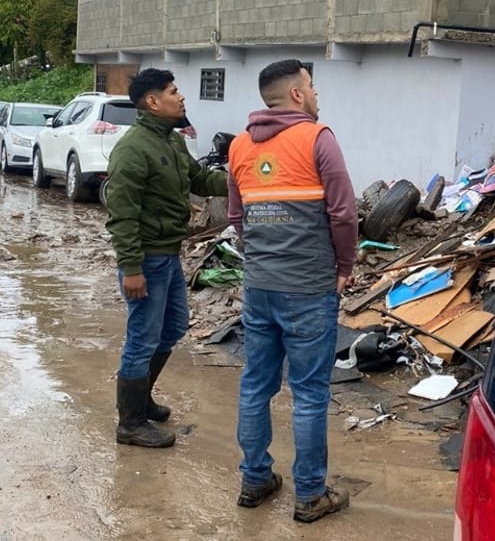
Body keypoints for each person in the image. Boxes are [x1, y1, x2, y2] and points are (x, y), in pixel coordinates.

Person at [226, 59, 358, 523]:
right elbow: (344, 213)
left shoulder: (240, 147)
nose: (317, 95)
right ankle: (309, 494)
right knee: (308, 393)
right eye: (313, 86)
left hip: (259, 287)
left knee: (255, 384)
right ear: (298, 95)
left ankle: (255, 478)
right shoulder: (318, 139)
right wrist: (345, 264)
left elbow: (238, 218)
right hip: (308, 289)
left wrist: (260, 259)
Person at [106, 68, 228, 448]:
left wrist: (244, 177)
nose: (182, 97)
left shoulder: (171, 142)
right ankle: (130, 423)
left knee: (173, 327)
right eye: (174, 92)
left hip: (169, 255)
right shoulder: (132, 149)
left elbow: (200, 180)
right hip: (147, 259)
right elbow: (121, 215)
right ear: (153, 102)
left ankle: (142, 400)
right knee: (142, 339)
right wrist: (131, 268)